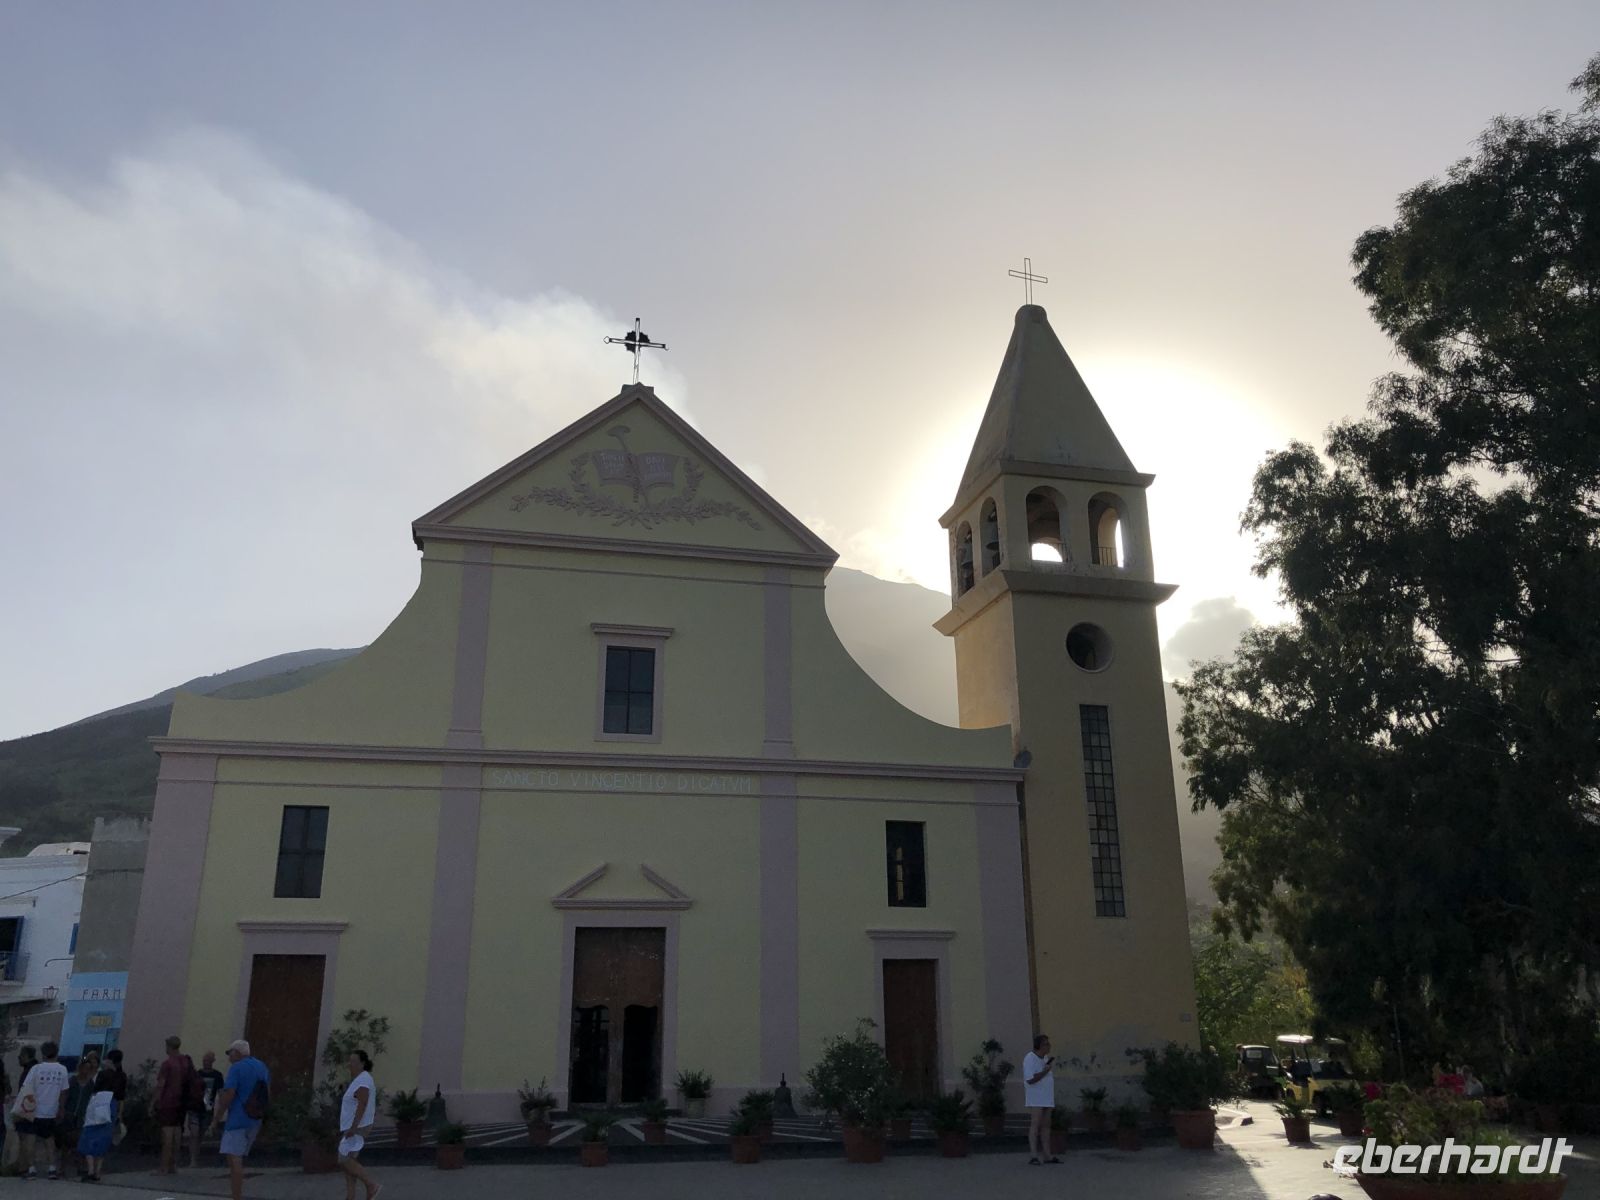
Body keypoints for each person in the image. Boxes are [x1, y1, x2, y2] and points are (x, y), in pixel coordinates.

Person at [211, 1039, 269, 1200]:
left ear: (237, 1053)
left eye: (230, 1053)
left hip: (237, 1119)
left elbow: (229, 1094)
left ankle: (236, 1196)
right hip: (255, 1119)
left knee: (234, 1160)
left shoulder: (236, 1068)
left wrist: (216, 1119)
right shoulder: (261, 1066)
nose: (229, 1057)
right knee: (239, 1157)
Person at [338, 1050, 381, 1200]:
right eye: (350, 1061)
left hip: (358, 1127)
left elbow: (362, 1104)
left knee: (343, 1158)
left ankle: (371, 1185)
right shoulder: (360, 1079)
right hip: (354, 1126)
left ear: (362, 1064)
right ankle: (350, 1196)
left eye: (353, 1061)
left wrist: (354, 1127)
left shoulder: (363, 1080)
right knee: (349, 1163)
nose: (350, 1064)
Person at [25, 1041, 70, 1180]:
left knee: (31, 1139)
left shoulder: (36, 1069)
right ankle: (52, 1168)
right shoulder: (62, 1070)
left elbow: (27, 1088)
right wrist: (61, 1108)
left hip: (34, 1110)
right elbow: (64, 1092)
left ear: (43, 1053)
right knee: (49, 1140)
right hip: (51, 1110)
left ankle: (31, 1169)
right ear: (56, 1053)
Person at [154, 1035, 199, 1175]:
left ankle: (164, 1166)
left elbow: (161, 1085)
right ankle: (173, 1165)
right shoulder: (186, 1061)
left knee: (167, 1134)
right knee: (177, 1133)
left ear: (169, 1046)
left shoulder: (167, 1064)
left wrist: (154, 1101)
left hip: (168, 1101)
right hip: (182, 1101)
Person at [76, 1059, 119, 1182]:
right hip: (108, 1118)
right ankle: (98, 1172)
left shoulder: (96, 1096)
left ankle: (90, 1170)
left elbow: (90, 1110)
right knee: (102, 1145)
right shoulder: (113, 1098)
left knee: (88, 1143)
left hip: (93, 1120)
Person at [1022, 1033, 1060, 1166]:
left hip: (1047, 1097)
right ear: (1039, 1046)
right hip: (1036, 1097)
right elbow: (1030, 1079)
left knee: (1046, 1126)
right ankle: (1033, 1155)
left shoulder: (1045, 1058)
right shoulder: (1030, 1058)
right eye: (1046, 1044)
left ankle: (1047, 1155)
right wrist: (1045, 1071)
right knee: (1035, 1124)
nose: (1049, 1046)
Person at [189, 1050, 225, 1168]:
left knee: (201, 1134)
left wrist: (221, 1107)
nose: (206, 1063)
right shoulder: (197, 1074)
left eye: (208, 1060)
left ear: (212, 1061)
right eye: (204, 1060)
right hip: (195, 1108)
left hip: (207, 1109)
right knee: (194, 1133)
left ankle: (196, 1156)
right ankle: (193, 1159)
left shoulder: (217, 1075)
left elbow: (221, 1093)